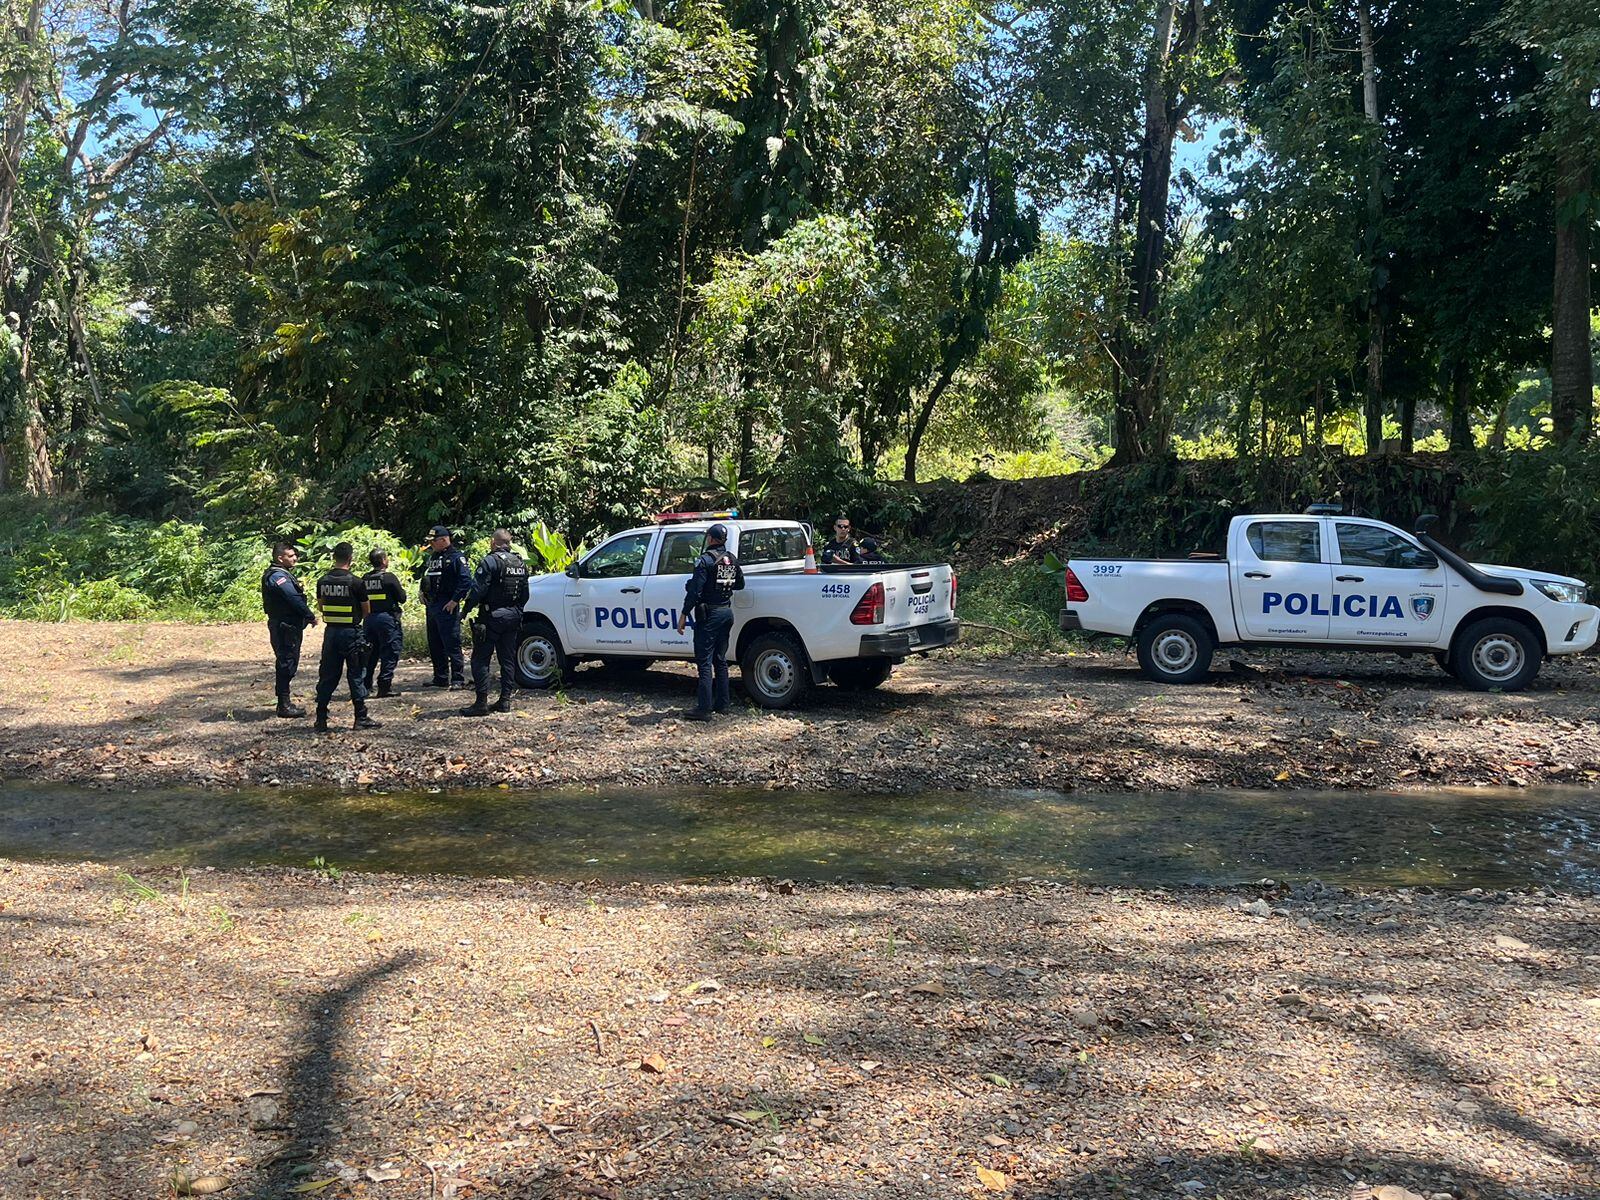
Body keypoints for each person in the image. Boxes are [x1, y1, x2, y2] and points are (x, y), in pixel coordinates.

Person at [675, 523, 745, 720]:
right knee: (720, 660)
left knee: (704, 662)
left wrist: (683, 614)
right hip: (726, 612)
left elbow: (695, 592)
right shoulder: (731, 559)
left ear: (711, 539)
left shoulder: (705, 560)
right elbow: (740, 584)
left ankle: (704, 708)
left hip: (710, 615)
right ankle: (722, 704)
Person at [460, 528, 531, 717]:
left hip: (491, 617)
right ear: (509, 543)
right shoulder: (520, 564)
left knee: (480, 659)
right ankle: (505, 701)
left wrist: (465, 611)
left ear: (493, 542)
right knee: (507, 659)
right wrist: (516, 611)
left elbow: (477, 590)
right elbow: (526, 595)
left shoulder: (490, 561)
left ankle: (481, 703)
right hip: (513, 617)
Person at [314, 541, 381, 733]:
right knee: (356, 674)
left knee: (327, 675)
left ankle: (321, 718)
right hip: (351, 633)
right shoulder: (356, 582)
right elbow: (366, 610)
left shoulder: (323, 581)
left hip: (331, 633)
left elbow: (321, 606)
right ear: (350, 559)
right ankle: (360, 717)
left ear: (334, 558)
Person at [261, 540, 317, 718]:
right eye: (290, 556)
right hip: (284, 626)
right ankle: (283, 705)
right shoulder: (278, 576)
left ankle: (284, 702)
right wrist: (309, 615)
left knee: (288, 661)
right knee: (287, 662)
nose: (295, 558)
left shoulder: (281, 573)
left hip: (287, 625)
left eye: (295, 555)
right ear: (280, 558)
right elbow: (293, 597)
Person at [419, 524, 470, 688]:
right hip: (432, 605)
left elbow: (465, 581)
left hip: (447, 605)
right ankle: (440, 677)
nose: (431, 544)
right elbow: (429, 579)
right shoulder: (433, 557)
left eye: (433, 541)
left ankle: (457, 678)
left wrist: (455, 600)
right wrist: (422, 593)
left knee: (451, 643)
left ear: (443, 540)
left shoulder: (456, 557)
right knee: (435, 643)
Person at [361, 548, 407, 698]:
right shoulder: (389, 578)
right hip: (386, 619)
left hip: (369, 619)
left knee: (370, 653)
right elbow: (402, 598)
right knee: (390, 651)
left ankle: (366, 686)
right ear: (383, 561)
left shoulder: (365, 578)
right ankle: (384, 686)